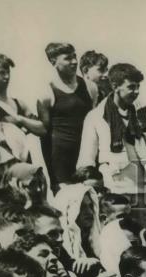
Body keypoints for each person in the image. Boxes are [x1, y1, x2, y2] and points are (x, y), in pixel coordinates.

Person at [77, 62, 146, 195]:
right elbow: (86, 160)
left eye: (138, 87)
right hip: (114, 193)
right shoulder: (96, 116)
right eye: (131, 87)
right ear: (115, 87)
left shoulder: (142, 112)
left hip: (143, 190)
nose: (136, 92)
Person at [38, 43, 94, 187]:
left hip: (87, 156)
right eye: (68, 58)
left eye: (75, 56)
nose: (74, 62)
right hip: (61, 160)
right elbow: (44, 135)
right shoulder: (46, 93)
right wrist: (52, 173)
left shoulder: (90, 87)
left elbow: (94, 122)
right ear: (53, 62)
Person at [0, 52, 46, 167]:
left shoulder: (19, 103)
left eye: (8, 72)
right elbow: (0, 138)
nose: (7, 76)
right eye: (1, 73)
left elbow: (42, 129)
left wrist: (20, 119)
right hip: (6, 161)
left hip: (25, 157)